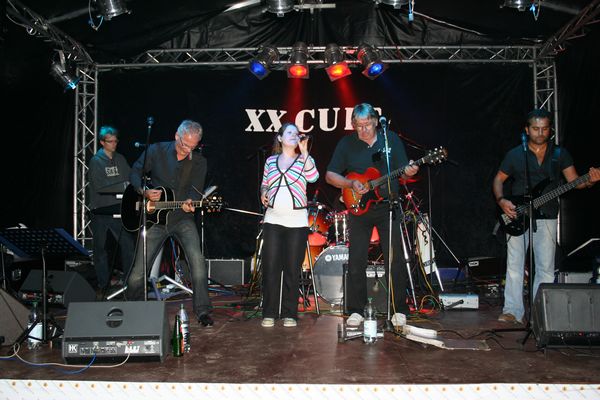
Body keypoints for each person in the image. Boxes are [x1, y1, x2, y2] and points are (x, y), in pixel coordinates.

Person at [493, 108, 600, 324]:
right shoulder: (515, 154)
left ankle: (540, 314)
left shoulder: (560, 154)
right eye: (535, 129)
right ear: (527, 130)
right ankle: (512, 311)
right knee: (514, 265)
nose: (540, 133)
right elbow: (498, 180)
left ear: (550, 129)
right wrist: (502, 200)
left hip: (548, 215)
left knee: (545, 268)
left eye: (544, 129)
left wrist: (589, 181)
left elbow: (574, 182)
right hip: (517, 214)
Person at [325, 103, 419, 326]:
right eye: (358, 126)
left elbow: (404, 174)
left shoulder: (390, 139)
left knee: (394, 259)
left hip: (388, 206)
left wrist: (409, 171)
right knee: (356, 259)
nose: (363, 130)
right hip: (359, 208)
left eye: (367, 125)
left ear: (376, 122)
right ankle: (356, 310)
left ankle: (398, 309)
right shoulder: (346, 143)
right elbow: (330, 175)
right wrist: (350, 183)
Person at [126, 119, 214, 327]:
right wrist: (144, 191)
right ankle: (133, 310)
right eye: (185, 144)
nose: (188, 150)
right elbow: (135, 172)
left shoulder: (199, 161)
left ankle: (203, 311)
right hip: (155, 220)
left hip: (182, 219)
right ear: (177, 136)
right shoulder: (156, 151)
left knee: (198, 263)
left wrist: (192, 201)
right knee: (138, 271)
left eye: (193, 147)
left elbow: (195, 190)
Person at [259, 123, 319, 328]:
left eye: (296, 133)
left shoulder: (304, 160)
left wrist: (304, 152)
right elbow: (265, 183)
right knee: (271, 267)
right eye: (290, 132)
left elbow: (314, 177)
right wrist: (263, 192)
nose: (294, 135)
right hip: (273, 220)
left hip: (297, 221)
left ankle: (289, 313)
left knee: (292, 268)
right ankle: (269, 312)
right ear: (280, 138)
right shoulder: (270, 161)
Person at [88, 126, 135, 295]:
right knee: (100, 249)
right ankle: (103, 284)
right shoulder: (96, 161)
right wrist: (121, 187)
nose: (114, 144)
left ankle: (129, 283)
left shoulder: (120, 159)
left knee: (128, 245)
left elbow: (130, 178)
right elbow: (100, 186)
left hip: (118, 209)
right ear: (102, 142)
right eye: (110, 141)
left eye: (115, 141)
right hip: (101, 210)